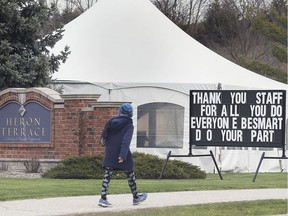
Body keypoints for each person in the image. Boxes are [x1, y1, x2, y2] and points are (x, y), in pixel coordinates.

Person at [98, 103, 147, 207]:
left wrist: (106, 147)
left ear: (120, 111)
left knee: (107, 175)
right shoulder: (129, 125)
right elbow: (126, 141)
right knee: (130, 173)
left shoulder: (111, 121)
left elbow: (104, 135)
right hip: (122, 151)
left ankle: (103, 198)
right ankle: (136, 197)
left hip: (110, 150)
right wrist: (122, 155)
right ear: (130, 113)